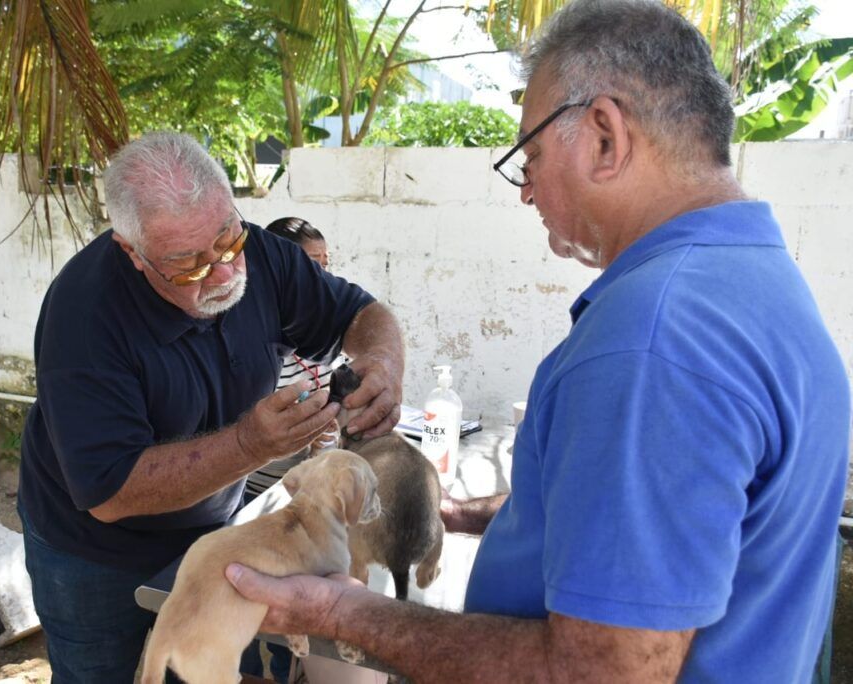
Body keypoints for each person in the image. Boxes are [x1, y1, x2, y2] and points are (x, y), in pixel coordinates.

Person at [225, 1, 852, 682]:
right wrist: (472, 513)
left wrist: (338, 612)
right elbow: (688, 522)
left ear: (606, 137)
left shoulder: (651, 341)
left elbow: (602, 673)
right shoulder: (757, 280)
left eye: (530, 159)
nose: (525, 193)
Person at [16, 131, 404, 683]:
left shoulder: (262, 254)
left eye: (228, 243)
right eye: (188, 265)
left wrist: (382, 367)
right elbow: (110, 491)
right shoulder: (84, 317)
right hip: (93, 553)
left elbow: (362, 316)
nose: (223, 274)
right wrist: (251, 445)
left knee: (214, 669)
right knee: (100, 674)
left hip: (218, 528)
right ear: (133, 251)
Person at [244, 216, 340, 503]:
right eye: (313, 263)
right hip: (256, 496)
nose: (324, 275)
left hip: (305, 490)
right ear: (281, 267)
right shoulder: (251, 342)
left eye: (326, 263)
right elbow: (241, 432)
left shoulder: (326, 331)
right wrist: (301, 431)